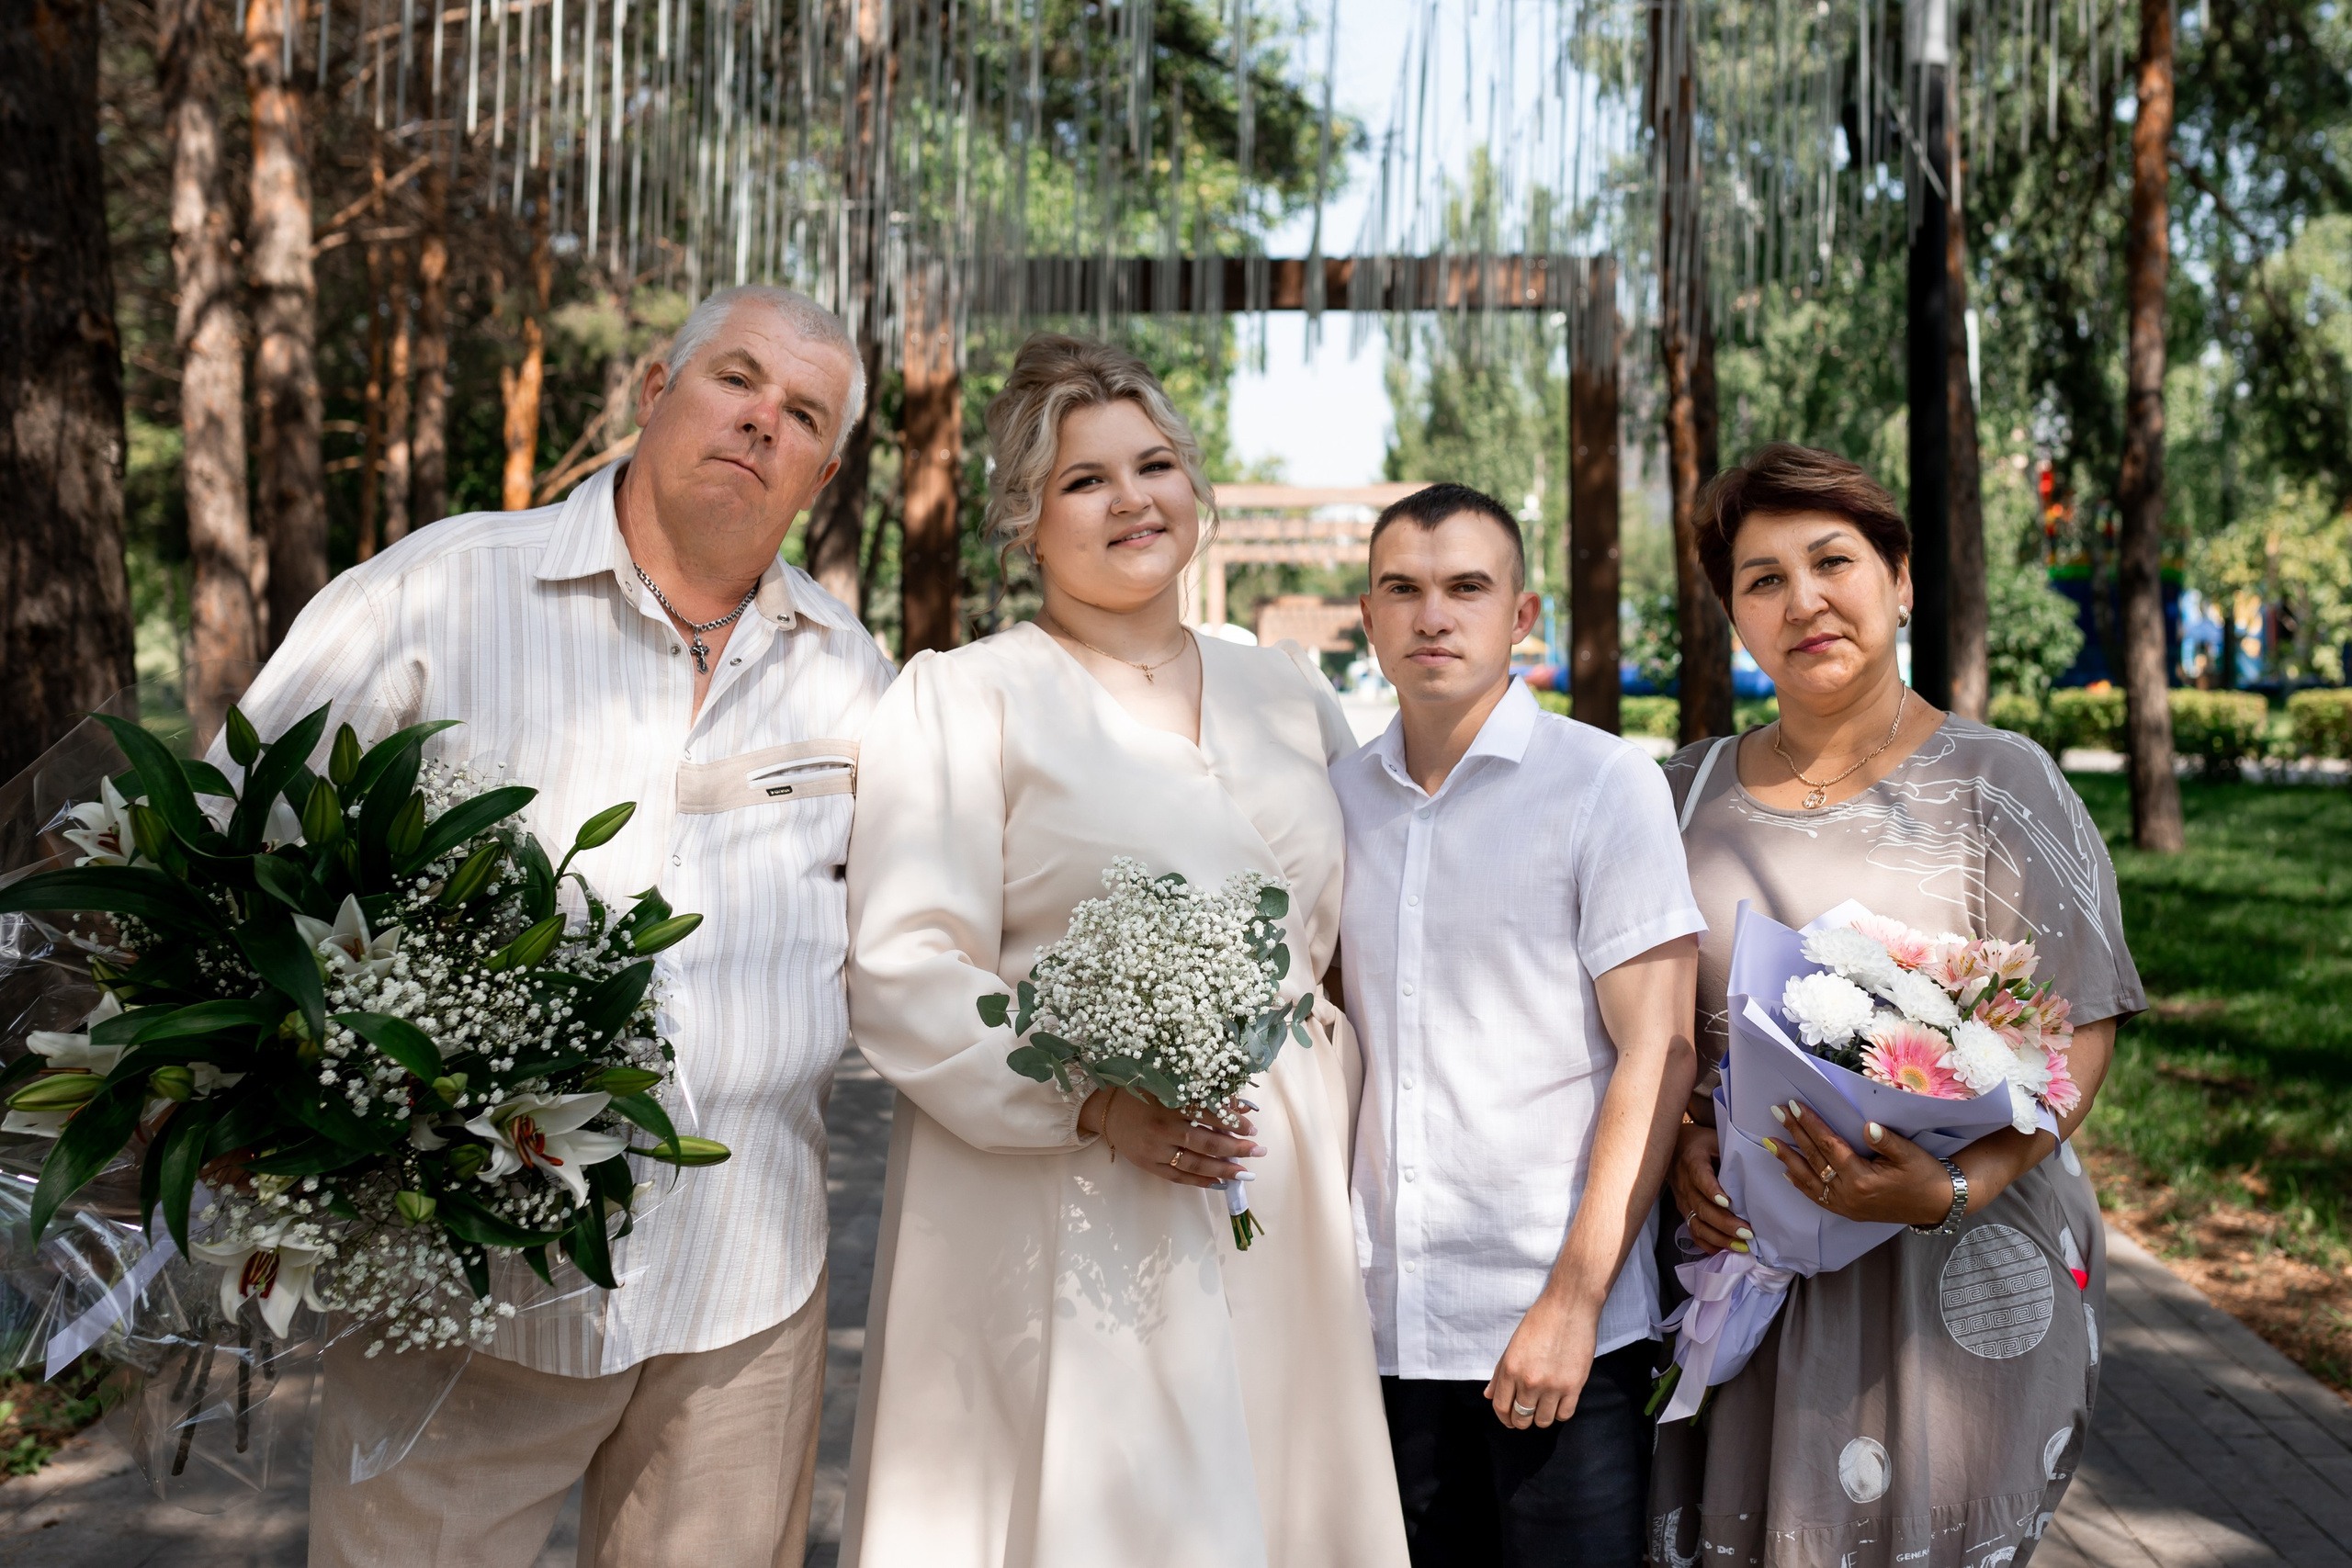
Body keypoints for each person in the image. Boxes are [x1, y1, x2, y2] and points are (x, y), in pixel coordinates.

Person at [223, 285, 896, 1567]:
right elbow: (230, 834)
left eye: (803, 412)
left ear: (824, 464)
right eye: (736, 379)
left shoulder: (848, 671)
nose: (762, 421)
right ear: (656, 389)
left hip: (739, 1293)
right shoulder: (437, 590)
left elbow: (905, 934)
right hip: (460, 1294)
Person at [840, 333, 1408, 1568]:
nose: (1132, 498)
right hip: (1074, 1182)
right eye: (1084, 478)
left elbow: (1358, 943)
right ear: (1025, 520)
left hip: (1285, 1176)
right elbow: (905, 965)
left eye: (1153, 462)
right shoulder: (963, 699)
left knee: (1281, 1488)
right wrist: (1097, 1104)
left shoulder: (1289, 694)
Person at [1651, 443, 2144, 1568]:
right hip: (1746, 1273)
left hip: (1947, 1261)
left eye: (1833, 561)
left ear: (1901, 579)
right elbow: (1648, 1028)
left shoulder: (1999, 784)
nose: (1804, 600)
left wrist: (1954, 1184)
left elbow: (2080, 1027)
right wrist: (1683, 1142)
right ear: (1734, 615)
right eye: (1762, 579)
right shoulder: (1676, 796)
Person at [1330, 484, 1706, 1567]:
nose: (1432, 616)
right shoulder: (1339, 797)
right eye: (1401, 590)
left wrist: (1573, 1302)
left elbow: (1661, 1047)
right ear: (1368, 618)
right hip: (1381, 1326)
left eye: (1465, 589)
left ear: (1522, 615)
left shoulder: (1602, 785)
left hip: (1552, 1329)